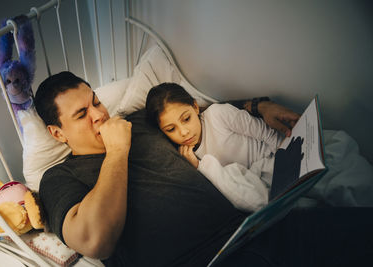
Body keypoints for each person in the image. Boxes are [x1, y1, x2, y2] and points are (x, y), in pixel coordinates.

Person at [34, 71, 373, 267]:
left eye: (96, 101)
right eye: (82, 114)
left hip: (254, 228)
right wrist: (117, 150)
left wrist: (259, 106)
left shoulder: (137, 122)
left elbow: (189, 113)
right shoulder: (58, 178)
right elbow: (95, 241)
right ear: (57, 133)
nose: (99, 114)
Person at [145, 82, 284, 211]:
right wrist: (198, 166)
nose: (184, 132)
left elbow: (268, 134)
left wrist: (289, 160)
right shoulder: (185, 157)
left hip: (273, 159)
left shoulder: (217, 115)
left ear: (195, 107)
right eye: (171, 129)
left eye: (186, 119)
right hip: (251, 183)